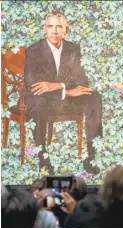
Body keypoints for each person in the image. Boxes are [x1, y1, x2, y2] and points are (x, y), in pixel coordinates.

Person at [24, 10, 102, 174]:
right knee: (37, 102)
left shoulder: (73, 49)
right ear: (44, 28)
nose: (54, 31)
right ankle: (43, 159)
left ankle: (91, 156)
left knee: (94, 97)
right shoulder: (33, 50)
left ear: (66, 30)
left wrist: (60, 86)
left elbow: (81, 80)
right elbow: (35, 85)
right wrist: (67, 91)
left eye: (59, 26)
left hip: (64, 98)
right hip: (42, 99)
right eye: (50, 26)